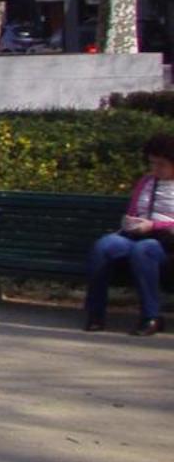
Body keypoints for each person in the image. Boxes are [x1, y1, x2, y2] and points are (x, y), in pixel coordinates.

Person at [84, 133, 174, 335]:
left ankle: (151, 317)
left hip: (165, 243)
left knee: (144, 250)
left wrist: (153, 226)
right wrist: (130, 222)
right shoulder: (146, 182)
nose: (155, 169)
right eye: (152, 163)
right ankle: (95, 313)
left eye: (161, 164)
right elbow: (134, 209)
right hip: (136, 234)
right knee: (104, 246)